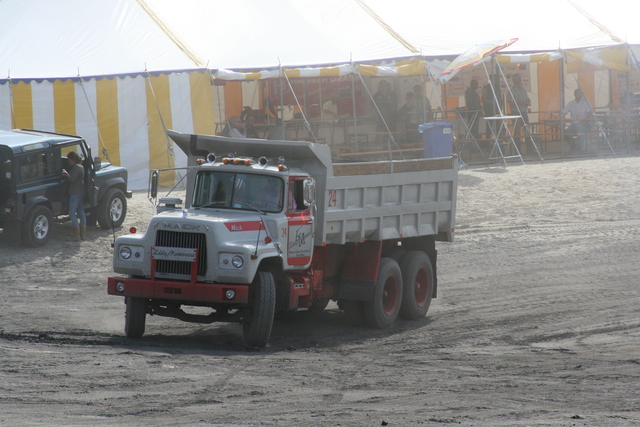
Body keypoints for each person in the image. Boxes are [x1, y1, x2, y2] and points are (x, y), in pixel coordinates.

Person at [62, 151, 86, 242]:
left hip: (75, 192)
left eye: (69, 160)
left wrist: (66, 174)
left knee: (72, 213)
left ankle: (76, 234)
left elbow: (72, 179)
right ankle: (82, 234)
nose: (69, 162)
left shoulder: (76, 167)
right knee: (81, 212)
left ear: (72, 160)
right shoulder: (81, 167)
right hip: (81, 192)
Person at [562, 88, 592, 153]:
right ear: (574, 94)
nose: (580, 95)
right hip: (575, 124)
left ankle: (580, 148)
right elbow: (563, 112)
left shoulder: (585, 101)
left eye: (581, 93)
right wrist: (562, 117)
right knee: (566, 133)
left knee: (581, 131)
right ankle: (573, 146)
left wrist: (585, 120)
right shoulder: (571, 103)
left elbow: (590, 112)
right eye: (578, 93)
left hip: (585, 124)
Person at [508, 73, 531, 146]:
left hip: (524, 112)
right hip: (516, 113)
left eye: (520, 79)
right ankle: (518, 149)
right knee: (517, 132)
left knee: (527, 130)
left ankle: (529, 149)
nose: (519, 80)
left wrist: (528, 101)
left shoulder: (523, 89)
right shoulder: (511, 90)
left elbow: (527, 98)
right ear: (514, 80)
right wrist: (522, 102)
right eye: (518, 79)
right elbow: (511, 103)